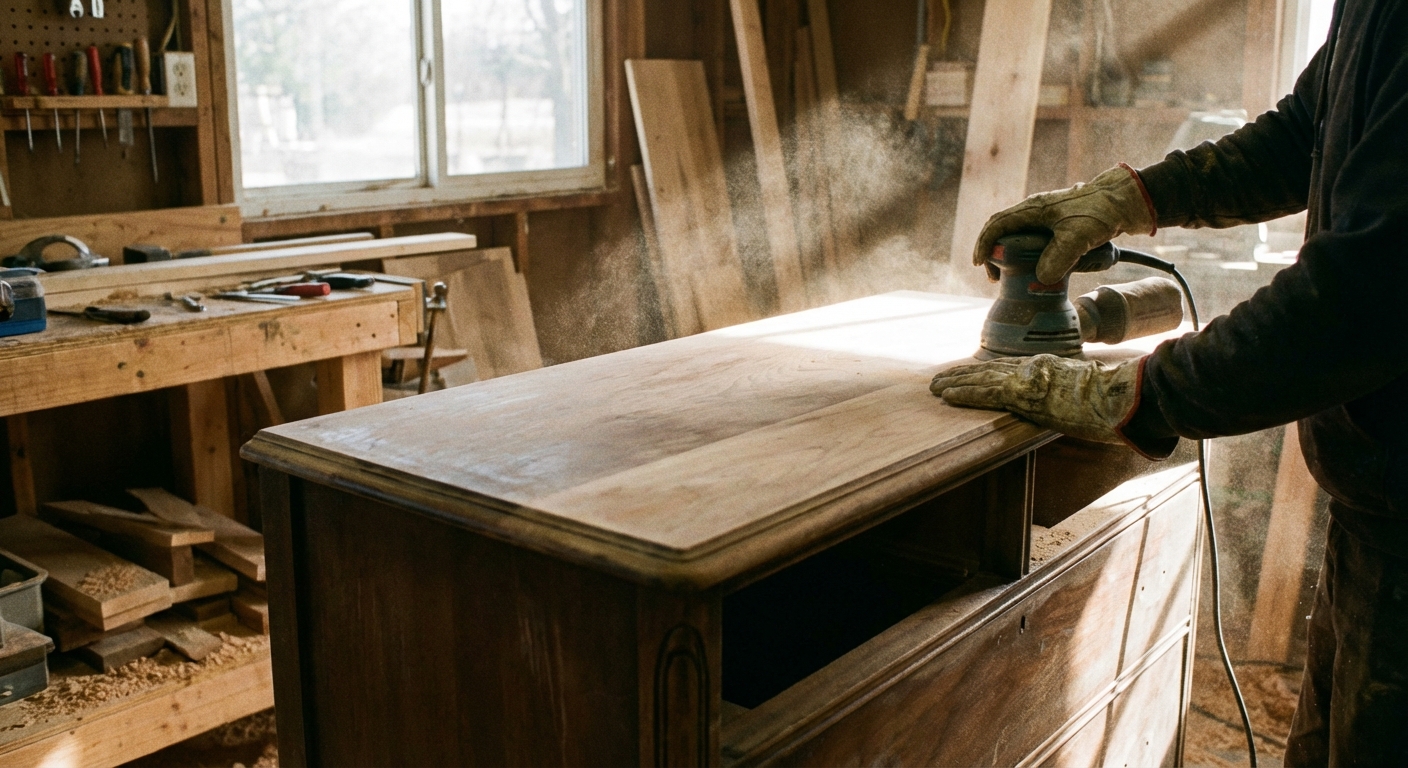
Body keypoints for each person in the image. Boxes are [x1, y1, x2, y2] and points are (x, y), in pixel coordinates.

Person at [928, 0, 1408, 764]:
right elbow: (1304, 134)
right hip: (1375, 503)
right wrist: (1131, 197)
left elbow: (1365, 296)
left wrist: (1143, 392)